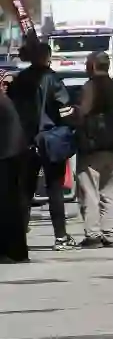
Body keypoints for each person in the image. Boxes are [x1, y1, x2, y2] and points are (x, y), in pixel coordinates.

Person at [8, 38, 74, 251]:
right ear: (46, 57)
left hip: (25, 140)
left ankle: (19, 239)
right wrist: (69, 125)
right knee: (54, 188)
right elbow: (65, 108)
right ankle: (60, 237)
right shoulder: (52, 79)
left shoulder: (20, 79)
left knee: (25, 190)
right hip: (50, 138)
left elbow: (11, 106)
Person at [73, 52, 113, 248]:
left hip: (92, 148)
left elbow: (82, 113)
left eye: (87, 64)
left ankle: (93, 235)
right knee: (109, 193)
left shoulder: (90, 87)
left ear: (93, 66)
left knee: (89, 192)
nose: (86, 68)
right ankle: (111, 234)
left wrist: (75, 119)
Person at [0, 81, 28, 262]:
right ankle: (17, 252)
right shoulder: (5, 101)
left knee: (5, 207)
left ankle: (6, 252)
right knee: (12, 206)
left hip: (6, 157)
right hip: (12, 156)